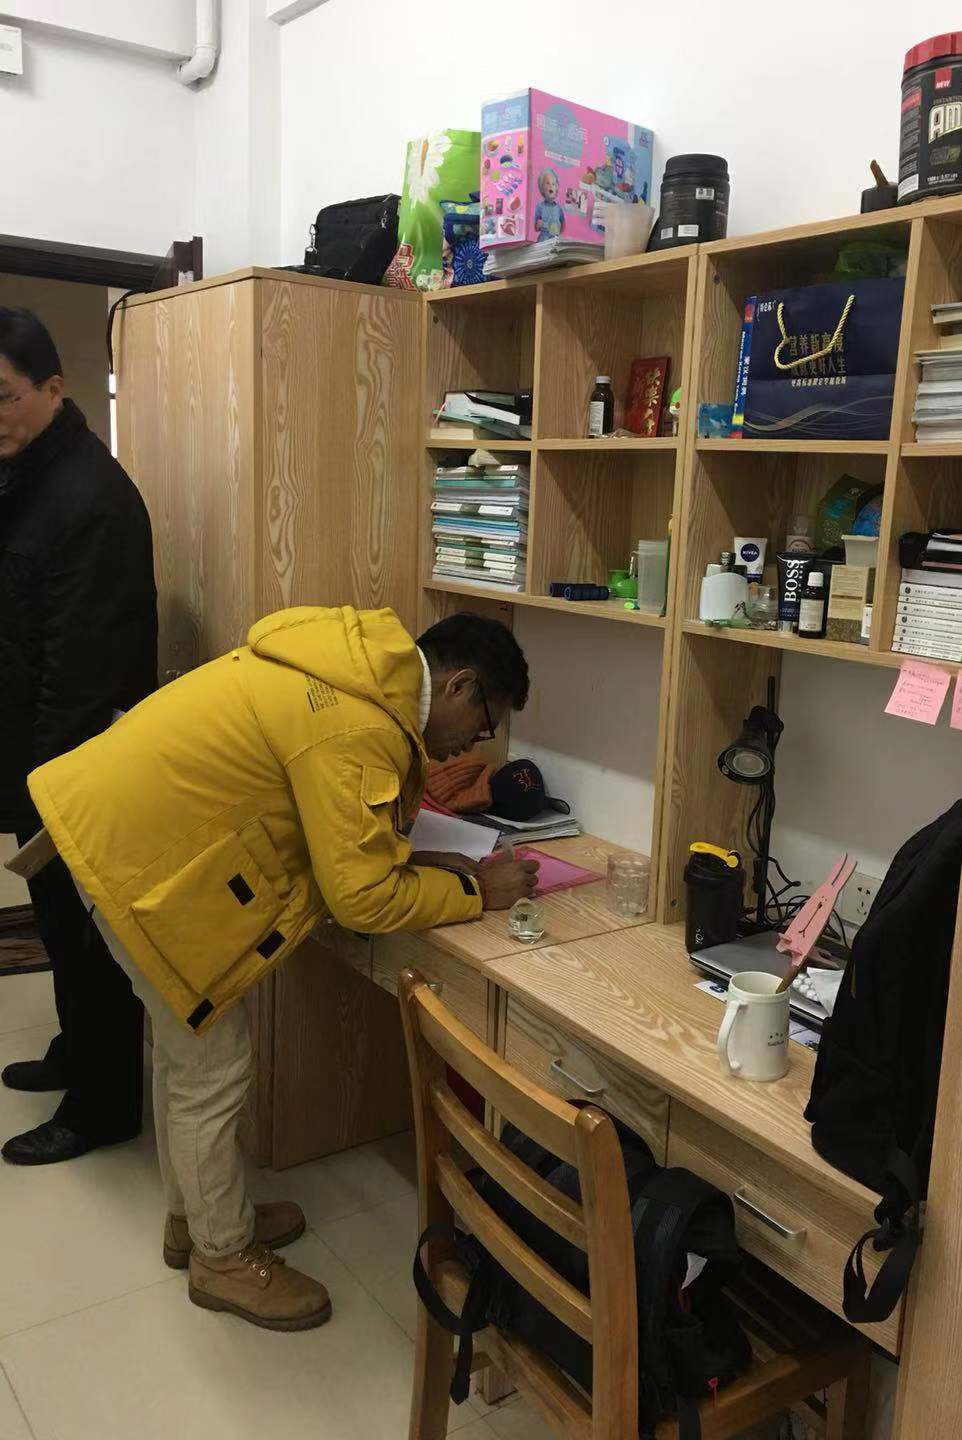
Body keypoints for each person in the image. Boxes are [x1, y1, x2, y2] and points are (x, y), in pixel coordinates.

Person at [25, 604, 538, 1332]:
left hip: (115, 832)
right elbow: (361, 899)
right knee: (211, 1067)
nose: (470, 747)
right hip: (133, 859)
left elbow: (337, 831)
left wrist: (416, 861)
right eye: (483, 727)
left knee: (185, 1057)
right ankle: (222, 1258)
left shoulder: (349, 668)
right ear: (458, 686)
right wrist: (477, 891)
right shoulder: (359, 722)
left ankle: (198, 1223)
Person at [0, 307, 157, 1166]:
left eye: (3, 396)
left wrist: (44, 790)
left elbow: (82, 670)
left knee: (93, 941)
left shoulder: (91, 497)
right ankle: (75, 1053)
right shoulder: (27, 474)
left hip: (77, 767)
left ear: (54, 388)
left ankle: (104, 1105)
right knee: (59, 927)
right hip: (38, 757)